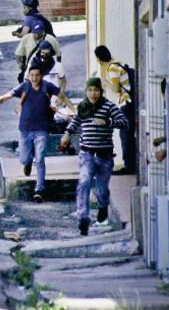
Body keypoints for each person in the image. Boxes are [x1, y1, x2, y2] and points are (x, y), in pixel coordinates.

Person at [0, 63, 61, 202]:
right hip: (25, 130)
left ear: (41, 76)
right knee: (24, 159)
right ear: (28, 76)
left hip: (41, 130)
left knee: (40, 160)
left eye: (37, 75)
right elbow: (4, 97)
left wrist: (58, 105)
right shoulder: (24, 87)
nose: (34, 78)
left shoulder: (46, 86)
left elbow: (61, 94)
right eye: (32, 75)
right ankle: (27, 162)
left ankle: (39, 190)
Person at [60, 78, 128, 235]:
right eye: (90, 90)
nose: (93, 93)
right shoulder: (82, 107)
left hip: (104, 156)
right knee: (84, 182)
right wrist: (67, 134)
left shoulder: (109, 107)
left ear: (100, 91)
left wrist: (107, 122)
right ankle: (83, 218)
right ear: (86, 92)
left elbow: (124, 122)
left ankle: (103, 206)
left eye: (96, 90)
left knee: (101, 190)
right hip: (87, 154)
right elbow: (75, 122)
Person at [93, 45, 136, 174]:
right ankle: (130, 163)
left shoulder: (112, 68)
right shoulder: (118, 63)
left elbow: (116, 89)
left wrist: (106, 83)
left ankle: (128, 166)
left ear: (99, 59)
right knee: (128, 133)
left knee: (125, 134)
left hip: (126, 103)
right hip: (131, 103)